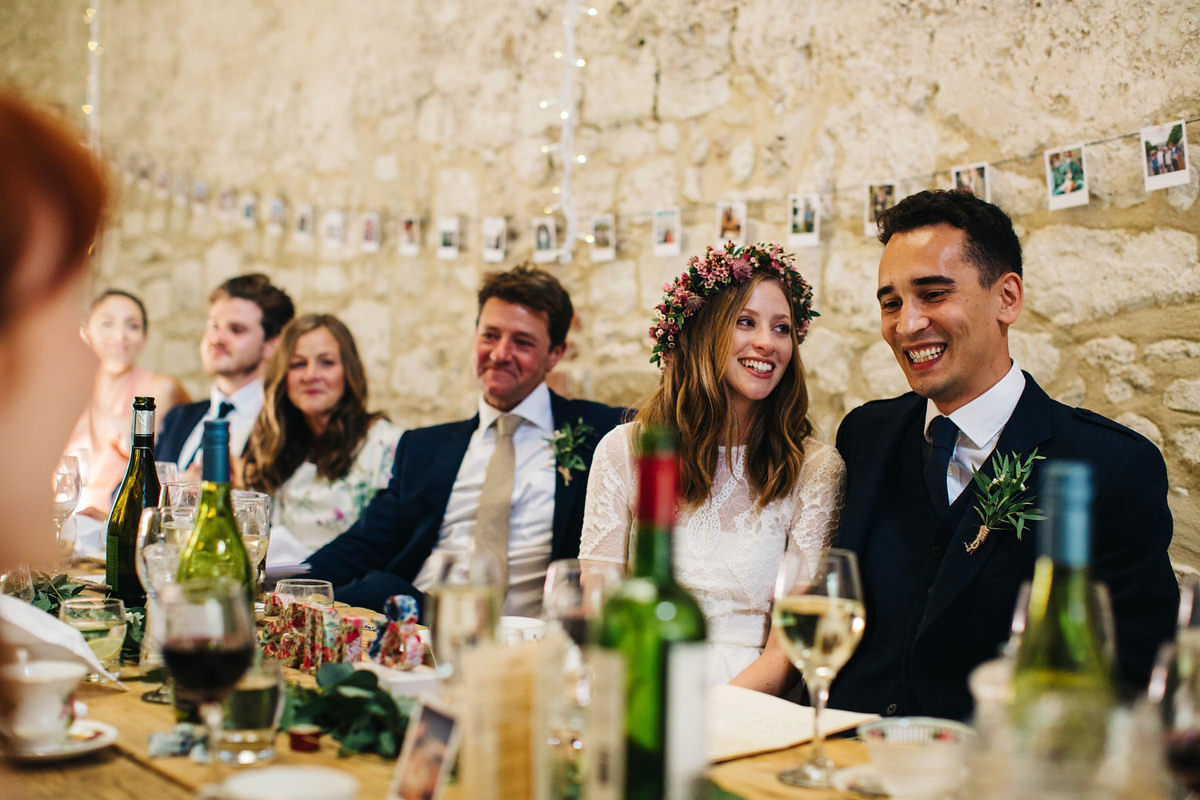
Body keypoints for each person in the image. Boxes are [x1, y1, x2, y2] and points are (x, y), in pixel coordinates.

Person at [829, 189, 1178, 721]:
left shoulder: (1109, 467)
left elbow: (1133, 682)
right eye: (891, 301)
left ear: (1007, 298)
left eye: (934, 293)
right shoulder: (865, 434)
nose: (906, 324)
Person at [580, 242, 846, 693]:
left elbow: (786, 650)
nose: (767, 342)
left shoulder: (815, 470)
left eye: (782, 328)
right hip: (636, 683)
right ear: (704, 331)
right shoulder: (626, 451)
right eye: (746, 322)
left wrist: (712, 716)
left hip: (751, 696)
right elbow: (600, 609)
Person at [304, 264, 626, 614]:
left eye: (522, 342)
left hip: (532, 636)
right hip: (426, 621)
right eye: (490, 335)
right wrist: (282, 584)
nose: (500, 353)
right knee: (375, 590)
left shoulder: (604, 433)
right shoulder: (423, 449)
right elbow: (361, 545)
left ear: (556, 354)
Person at [243, 313, 401, 561]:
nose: (310, 375)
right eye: (298, 364)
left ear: (348, 372)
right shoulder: (278, 445)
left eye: (326, 362)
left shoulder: (384, 444)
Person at [63, 289, 190, 518]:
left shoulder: (162, 389)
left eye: (132, 326)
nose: (120, 335)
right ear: (85, 333)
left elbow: (191, 440)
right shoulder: (66, 393)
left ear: (144, 339)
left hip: (124, 530)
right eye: (108, 324)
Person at [155, 273, 295, 478]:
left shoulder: (286, 425)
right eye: (214, 326)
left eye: (236, 330)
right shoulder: (179, 418)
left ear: (271, 345)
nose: (217, 338)